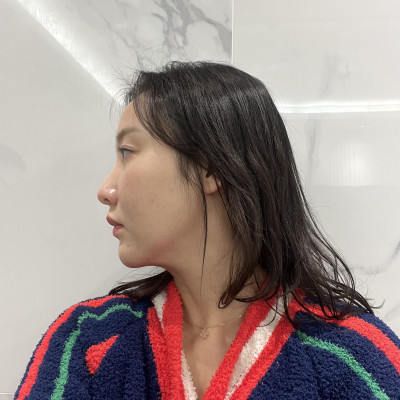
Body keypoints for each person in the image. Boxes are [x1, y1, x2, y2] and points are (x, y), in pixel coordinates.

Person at [15, 61, 400, 400]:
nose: (106, 190)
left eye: (128, 152)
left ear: (210, 168)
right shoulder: (88, 341)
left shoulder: (353, 357)